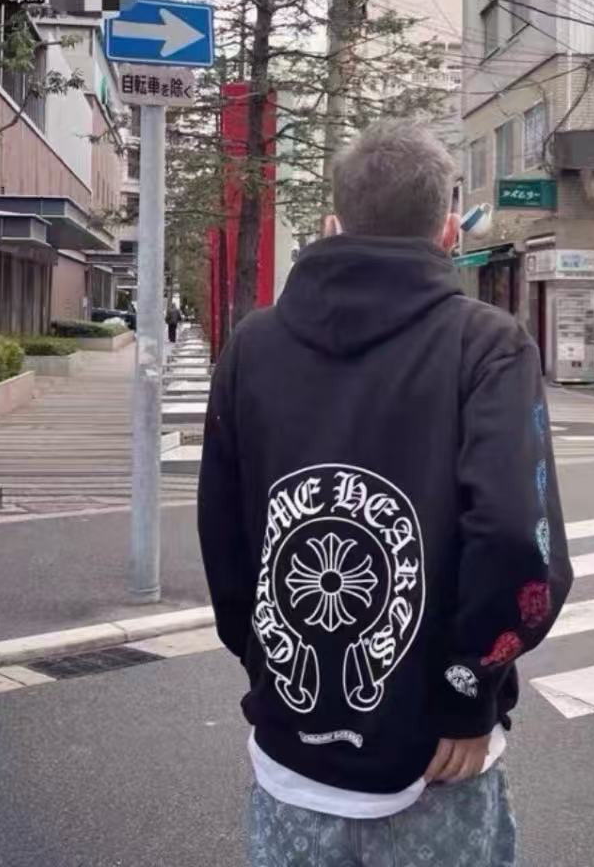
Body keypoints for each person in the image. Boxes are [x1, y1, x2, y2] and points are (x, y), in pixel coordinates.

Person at [199, 119, 571, 867]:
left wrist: (270, 663)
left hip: (289, 752)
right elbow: (513, 538)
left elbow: (226, 536)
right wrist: (469, 689)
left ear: (332, 224)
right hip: (436, 759)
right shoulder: (488, 344)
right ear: (447, 230)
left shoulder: (252, 347)